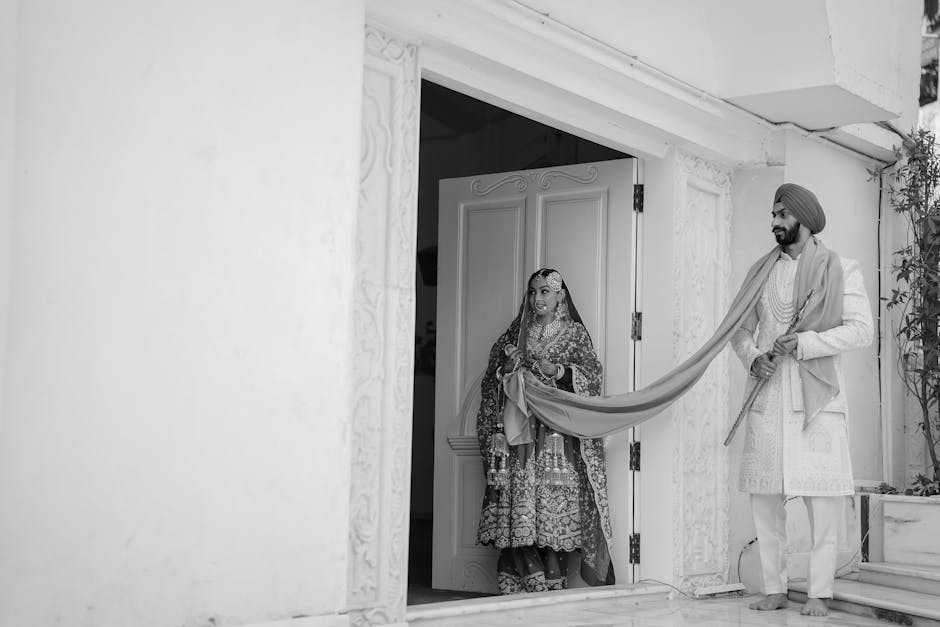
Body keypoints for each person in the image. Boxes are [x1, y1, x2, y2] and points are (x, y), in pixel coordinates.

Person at [730, 183, 874, 617]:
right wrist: (753, 358)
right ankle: (774, 588)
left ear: (805, 219)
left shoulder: (840, 269)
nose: (774, 221)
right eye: (773, 213)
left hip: (816, 403)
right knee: (765, 501)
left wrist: (808, 343)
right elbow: (739, 331)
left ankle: (820, 592)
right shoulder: (760, 272)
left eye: (782, 214)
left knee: (823, 504)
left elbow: (862, 330)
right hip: (769, 397)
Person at [476, 268, 614, 594]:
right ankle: (523, 575)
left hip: (555, 436)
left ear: (559, 296)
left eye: (544, 292)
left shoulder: (573, 334)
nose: (538, 299)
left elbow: (592, 375)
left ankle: (552, 577)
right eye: (533, 292)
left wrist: (560, 370)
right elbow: (493, 379)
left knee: (551, 503)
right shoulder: (515, 336)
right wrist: (507, 368)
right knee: (519, 501)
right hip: (519, 433)